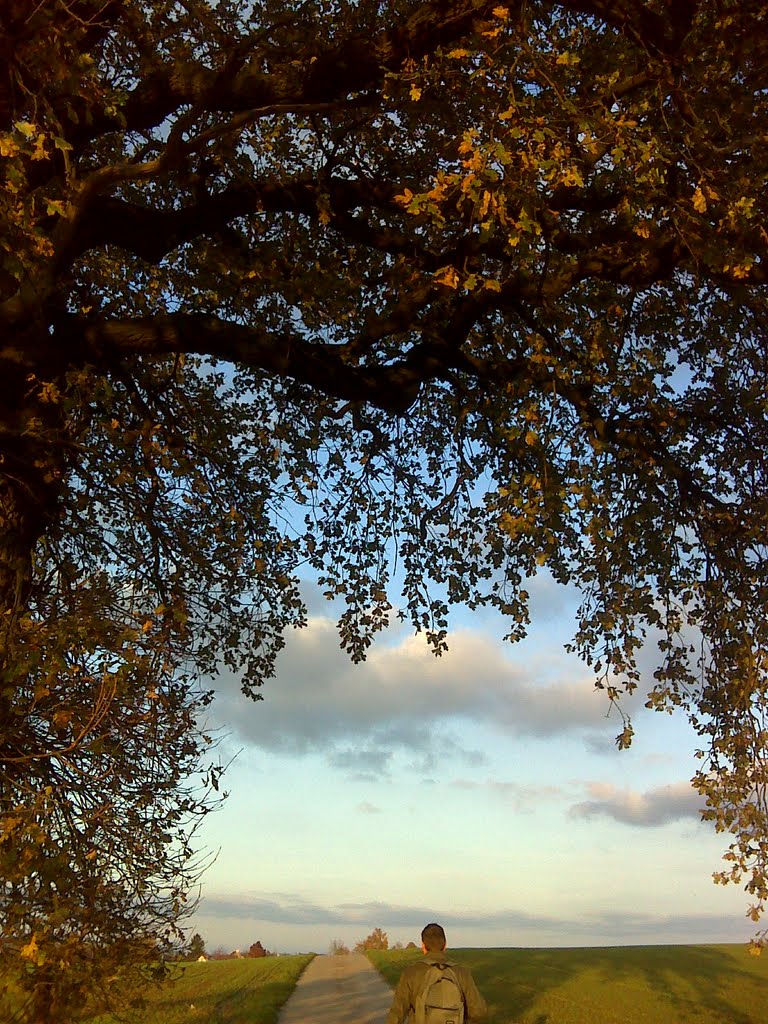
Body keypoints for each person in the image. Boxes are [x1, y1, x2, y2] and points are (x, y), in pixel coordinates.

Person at [385, 922, 488, 1024]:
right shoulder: (461, 973)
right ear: (445, 945)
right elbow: (479, 1012)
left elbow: (397, 1014)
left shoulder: (412, 973)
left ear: (423, 946)